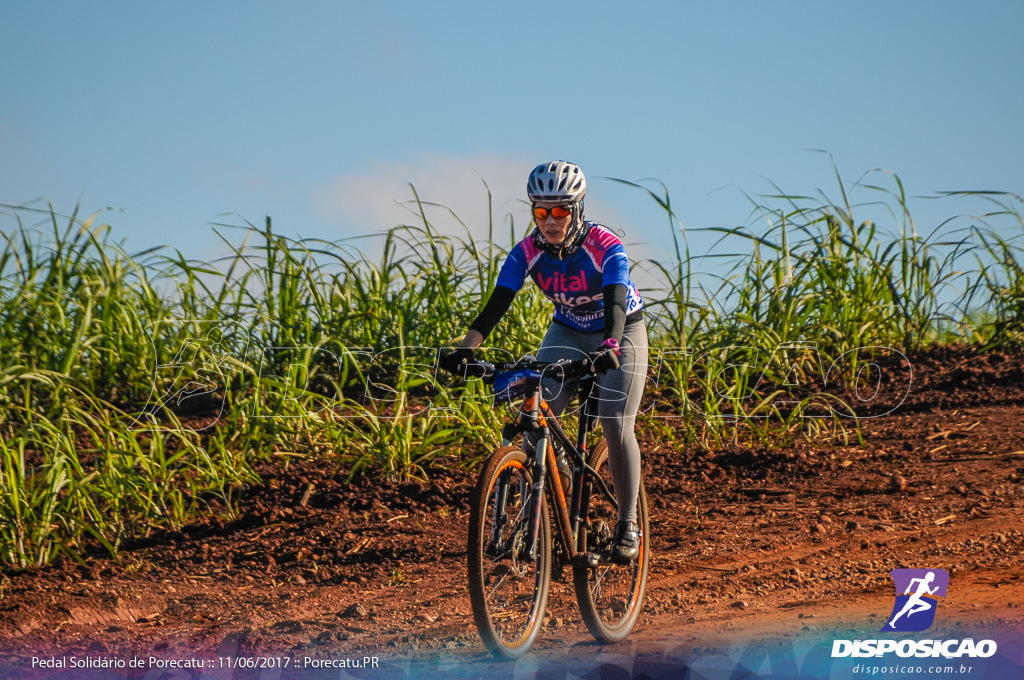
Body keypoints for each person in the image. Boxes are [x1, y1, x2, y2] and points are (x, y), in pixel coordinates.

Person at [442, 160, 648, 563]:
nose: (551, 221)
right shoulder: (527, 252)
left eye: (561, 211)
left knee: (614, 420)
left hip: (619, 329)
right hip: (568, 330)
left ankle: (628, 524)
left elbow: (617, 299)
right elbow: (497, 303)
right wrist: (467, 350)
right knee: (537, 410)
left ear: (578, 208)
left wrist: (610, 343)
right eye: (541, 211)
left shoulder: (605, 245)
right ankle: (552, 483)